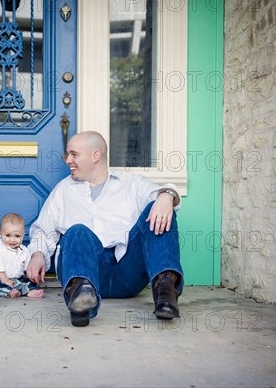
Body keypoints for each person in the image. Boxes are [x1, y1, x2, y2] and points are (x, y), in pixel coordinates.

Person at [26, 131, 183, 326]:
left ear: (95, 156)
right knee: (76, 231)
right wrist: (38, 254)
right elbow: (43, 229)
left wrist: (166, 195)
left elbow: (164, 197)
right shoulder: (63, 190)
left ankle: (166, 292)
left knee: (158, 208)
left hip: (128, 271)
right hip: (88, 271)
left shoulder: (130, 183)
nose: (68, 160)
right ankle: (81, 301)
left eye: (74, 154)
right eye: (68, 154)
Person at [0, 213, 44, 299]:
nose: (12, 240)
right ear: (0, 234)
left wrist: (32, 276)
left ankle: (30, 291)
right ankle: (10, 291)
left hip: (18, 279)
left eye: (17, 236)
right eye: (8, 235)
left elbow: (27, 267)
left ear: (23, 236)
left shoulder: (24, 250)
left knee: (29, 283)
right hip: (0, 278)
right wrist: (6, 281)